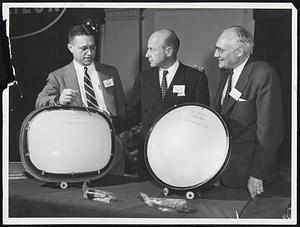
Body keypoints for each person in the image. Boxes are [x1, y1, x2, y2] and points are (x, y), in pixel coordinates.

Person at [113, 29, 210, 179]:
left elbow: (202, 120)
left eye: (151, 49)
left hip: (180, 156)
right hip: (149, 152)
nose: (147, 55)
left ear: (169, 51)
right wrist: (109, 124)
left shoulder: (195, 78)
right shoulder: (143, 78)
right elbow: (134, 114)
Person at [35, 24, 127, 176]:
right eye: (83, 48)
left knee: (115, 189)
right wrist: (58, 99)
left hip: (112, 141)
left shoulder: (110, 72)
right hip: (77, 144)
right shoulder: (58, 76)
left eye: (92, 47)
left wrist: (122, 138)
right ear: (70, 47)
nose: (89, 53)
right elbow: (39, 101)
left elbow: (122, 105)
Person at [212, 26, 284, 198]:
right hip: (222, 170)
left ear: (239, 51)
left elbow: (269, 131)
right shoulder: (226, 73)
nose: (215, 54)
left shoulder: (263, 73)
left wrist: (258, 174)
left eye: (220, 50)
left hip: (248, 176)